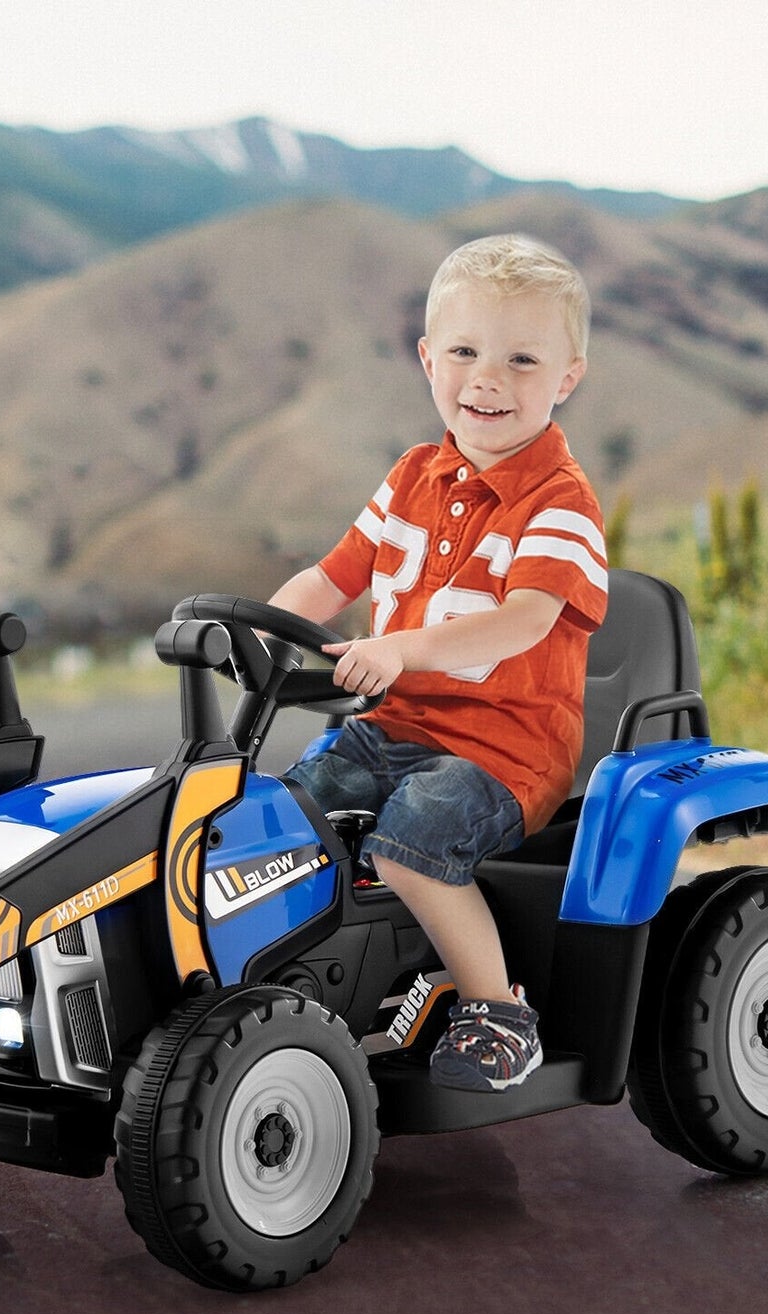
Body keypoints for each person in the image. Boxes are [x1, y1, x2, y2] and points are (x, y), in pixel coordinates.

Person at [269, 233, 608, 1091]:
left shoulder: (560, 502)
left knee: (416, 835)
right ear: (427, 359)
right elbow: (331, 575)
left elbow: (522, 621)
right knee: (285, 816)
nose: (486, 378)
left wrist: (398, 649)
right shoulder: (413, 474)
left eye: (520, 359)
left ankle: (498, 1011)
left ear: (565, 377)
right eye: (464, 351)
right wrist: (257, 629)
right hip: (394, 728)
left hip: (505, 749)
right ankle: (307, 991)